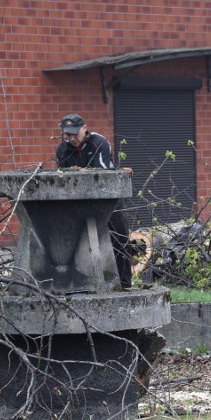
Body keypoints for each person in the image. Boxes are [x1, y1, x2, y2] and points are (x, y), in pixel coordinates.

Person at [56, 113, 133, 289]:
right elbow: (61, 177)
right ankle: (76, 284)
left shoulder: (99, 143)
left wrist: (80, 173)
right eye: (68, 134)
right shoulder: (62, 149)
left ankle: (125, 283)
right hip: (79, 200)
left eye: (75, 133)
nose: (72, 138)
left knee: (120, 237)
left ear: (84, 128)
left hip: (110, 196)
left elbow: (102, 173)